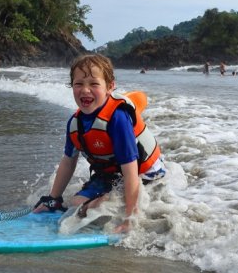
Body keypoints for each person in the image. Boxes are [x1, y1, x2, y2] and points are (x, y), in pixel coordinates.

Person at [32, 54, 166, 233]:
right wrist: (53, 198)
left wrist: (130, 218)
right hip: (112, 173)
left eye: (94, 84)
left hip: (145, 173)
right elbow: (68, 161)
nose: (85, 90)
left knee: (113, 205)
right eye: (79, 84)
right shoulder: (75, 123)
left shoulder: (117, 119)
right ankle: (103, 199)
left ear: (110, 87)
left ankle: (117, 203)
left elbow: (130, 169)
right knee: (75, 202)